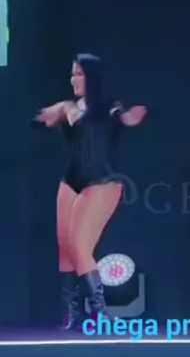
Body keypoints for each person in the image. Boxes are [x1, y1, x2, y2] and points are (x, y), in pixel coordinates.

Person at [32, 53, 147, 331]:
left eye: (79, 74)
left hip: (102, 182)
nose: (73, 79)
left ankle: (101, 312)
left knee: (80, 245)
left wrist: (130, 118)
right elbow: (41, 119)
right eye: (72, 74)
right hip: (71, 181)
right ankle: (73, 314)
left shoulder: (109, 107)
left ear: (92, 78)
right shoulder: (67, 107)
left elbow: (123, 118)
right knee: (65, 248)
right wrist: (43, 118)